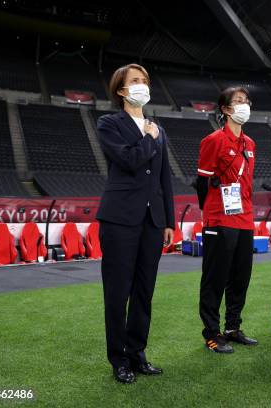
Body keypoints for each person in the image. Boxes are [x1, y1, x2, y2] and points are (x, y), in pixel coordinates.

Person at [96, 63, 175, 384]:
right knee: (118, 292)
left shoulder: (158, 128)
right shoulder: (108, 123)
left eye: (145, 80)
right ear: (121, 90)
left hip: (153, 221)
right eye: (135, 81)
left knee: (144, 291)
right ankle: (119, 360)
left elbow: (163, 177)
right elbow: (128, 160)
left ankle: (137, 353)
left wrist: (169, 219)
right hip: (119, 219)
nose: (142, 85)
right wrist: (147, 137)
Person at [196, 86, 258, 353]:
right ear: (225, 109)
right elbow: (202, 182)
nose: (245, 105)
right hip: (219, 220)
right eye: (239, 101)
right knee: (215, 279)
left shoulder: (250, 143)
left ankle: (233, 327)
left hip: (244, 220)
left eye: (246, 101)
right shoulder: (213, 141)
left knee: (240, 278)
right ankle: (212, 332)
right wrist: (210, 214)